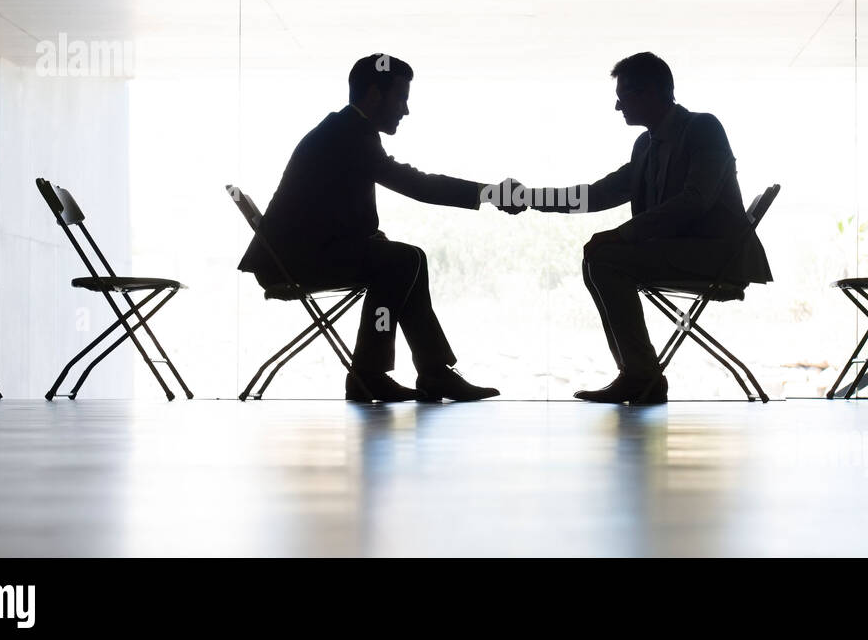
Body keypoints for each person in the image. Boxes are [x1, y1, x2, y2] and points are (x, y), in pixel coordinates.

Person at [238, 53, 517, 402]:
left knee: (406, 260)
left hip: (297, 255)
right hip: (298, 262)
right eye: (401, 98)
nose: (406, 110)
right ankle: (378, 374)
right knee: (402, 261)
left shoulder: (343, 130)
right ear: (374, 95)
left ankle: (425, 372)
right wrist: (492, 194)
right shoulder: (350, 134)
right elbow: (416, 184)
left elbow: (326, 209)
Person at [515, 52, 770, 404]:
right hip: (687, 251)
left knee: (603, 259)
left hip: (715, 255)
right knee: (598, 256)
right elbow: (598, 193)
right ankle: (637, 373)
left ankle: (640, 375)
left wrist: (622, 234)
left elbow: (695, 200)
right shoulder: (646, 145)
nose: (618, 107)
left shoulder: (703, 128)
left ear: (650, 93)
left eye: (623, 97)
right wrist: (528, 197)